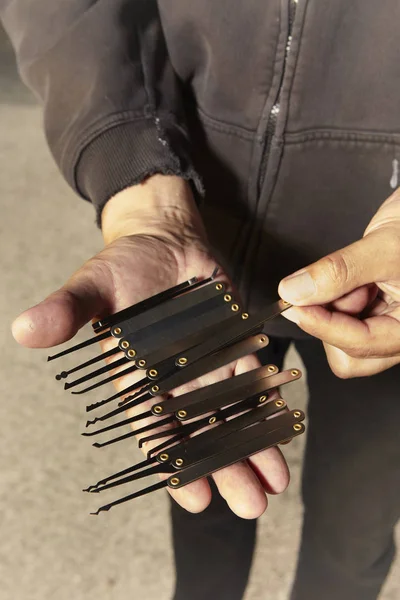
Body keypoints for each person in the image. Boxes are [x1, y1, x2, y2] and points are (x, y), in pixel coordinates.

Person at [2, 1, 400, 599]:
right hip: (197, 217)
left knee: (356, 524)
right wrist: (140, 187)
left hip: (383, 277)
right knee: (204, 493)